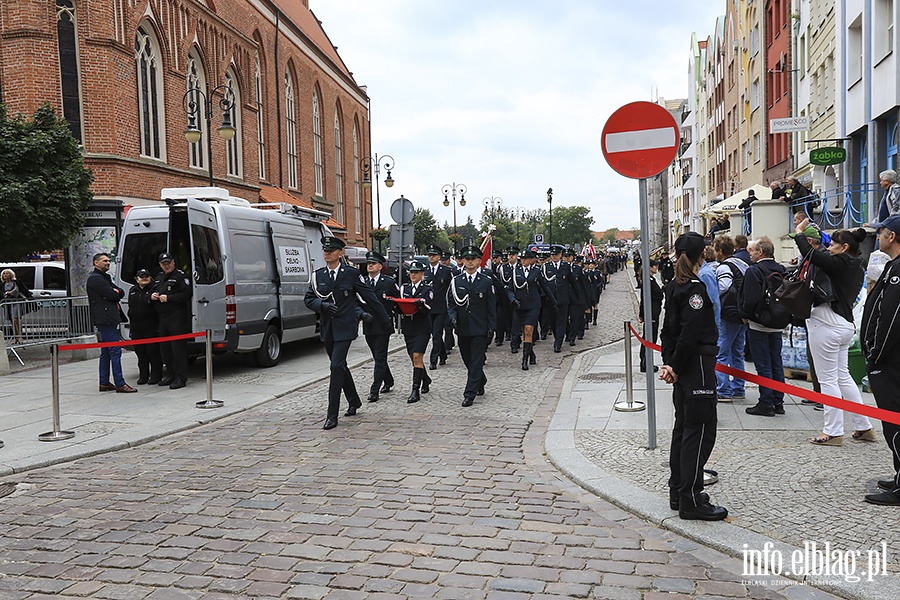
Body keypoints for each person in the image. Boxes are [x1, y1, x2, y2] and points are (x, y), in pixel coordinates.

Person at [658, 232, 727, 521]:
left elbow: (666, 331)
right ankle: (690, 498)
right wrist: (674, 364)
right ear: (702, 256)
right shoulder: (694, 290)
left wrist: (669, 363)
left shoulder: (674, 285)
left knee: (683, 429)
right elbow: (689, 333)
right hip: (696, 364)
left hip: (685, 364)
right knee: (699, 432)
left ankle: (678, 491)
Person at [792, 218, 874, 446]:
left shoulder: (840, 263)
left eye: (833, 245)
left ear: (844, 247)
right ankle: (863, 426)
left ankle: (833, 431)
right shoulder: (857, 264)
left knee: (828, 380)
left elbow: (812, 254)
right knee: (843, 377)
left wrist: (799, 234)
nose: (829, 248)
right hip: (843, 324)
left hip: (826, 324)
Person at [304, 237, 389, 430]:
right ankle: (354, 400)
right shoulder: (318, 276)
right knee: (340, 366)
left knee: (335, 366)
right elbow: (308, 299)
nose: (327, 253)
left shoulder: (350, 274)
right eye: (325, 250)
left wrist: (384, 320)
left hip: (345, 327)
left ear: (340, 253)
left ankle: (331, 415)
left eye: (332, 251)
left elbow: (370, 297)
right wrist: (322, 305)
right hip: (328, 328)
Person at [861, 215, 900, 505]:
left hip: (890, 362)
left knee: (895, 422)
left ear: (893, 236)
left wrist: (874, 355)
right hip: (886, 360)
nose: (879, 235)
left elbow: (889, 319)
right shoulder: (892, 267)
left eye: (882, 231)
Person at [739, 237, 787, 416]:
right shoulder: (781, 269)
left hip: (759, 323)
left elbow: (750, 298)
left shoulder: (754, 271)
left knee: (763, 364)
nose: (749, 254)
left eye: (752, 251)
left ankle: (766, 402)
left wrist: (745, 315)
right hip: (777, 322)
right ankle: (778, 401)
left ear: (761, 252)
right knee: (776, 362)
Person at [448, 245, 496, 407]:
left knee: (476, 361)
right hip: (462, 328)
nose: (469, 262)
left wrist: (492, 327)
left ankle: (469, 394)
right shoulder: (456, 281)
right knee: (467, 359)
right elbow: (451, 304)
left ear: (479, 261)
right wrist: (452, 317)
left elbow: (491, 307)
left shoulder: (486, 281)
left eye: (473, 259)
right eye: (466, 259)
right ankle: (480, 380)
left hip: (480, 328)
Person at [86, 253, 137, 394]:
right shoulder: (96, 279)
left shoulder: (104, 277)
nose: (108, 263)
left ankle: (104, 382)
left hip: (108, 317)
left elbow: (120, 291)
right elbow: (114, 294)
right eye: (105, 261)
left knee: (106, 351)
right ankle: (120, 383)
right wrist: (115, 292)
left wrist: (115, 291)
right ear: (96, 263)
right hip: (105, 318)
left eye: (109, 260)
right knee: (114, 350)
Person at [713, 236, 749, 401]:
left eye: (715, 249)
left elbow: (724, 286)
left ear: (720, 251)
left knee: (721, 353)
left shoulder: (724, 267)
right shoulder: (741, 263)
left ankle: (723, 390)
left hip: (728, 313)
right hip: (741, 313)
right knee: (737, 353)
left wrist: (712, 294)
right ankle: (739, 388)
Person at [151, 252, 192, 390]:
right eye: (163, 264)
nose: (166, 265)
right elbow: (153, 289)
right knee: (165, 349)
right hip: (162, 318)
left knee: (177, 349)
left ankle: (181, 377)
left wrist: (169, 298)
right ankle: (170, 375)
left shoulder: (180, 276)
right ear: (160, 265)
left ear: (173, 262)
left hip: (176, 317)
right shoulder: (159, 277)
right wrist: (153, 295)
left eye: (168, 263)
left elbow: (187, 294)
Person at [394, 260, 433, 404]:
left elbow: (429, 308)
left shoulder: (427, 289)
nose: (413, 275)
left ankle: (415, 390)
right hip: (408, 327)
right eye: (411, 272)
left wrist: (420, 305)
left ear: (422, 274)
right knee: (413, 357)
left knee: (417, 355)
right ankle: (425, 378)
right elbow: (400, 305)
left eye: (416, 272)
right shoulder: (404, 289)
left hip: (422, 327)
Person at [362, 251, 398, 403]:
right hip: (368, 324)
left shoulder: (388, 282)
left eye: (373, 263)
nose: (370, 265)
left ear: (380, 266)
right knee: (377, 357)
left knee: (380, 356)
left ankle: (374, 390)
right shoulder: (362, 282)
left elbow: (397, 300)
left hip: (383, 325)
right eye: (368, 263)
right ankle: (388, 380)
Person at [510, 248, 555, 370]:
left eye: (526, 259)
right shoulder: (515, 271)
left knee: (529, 330)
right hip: (519, 305)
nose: (523, 261)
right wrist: (512, 299)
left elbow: (544, 286)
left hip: (533, 305)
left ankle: (524, 360)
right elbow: (509, 288)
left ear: (531, 260)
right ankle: (531, 353)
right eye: (522, 259)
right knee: (524, 331)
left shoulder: (536, 271)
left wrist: (553, 301)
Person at [128, 268, 162, 385]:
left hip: (151, 326)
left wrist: (149, 298)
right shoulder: (133, 290)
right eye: (141, 276)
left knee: (153, 352)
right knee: (141, 353)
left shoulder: (154, 289)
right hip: (137, 327)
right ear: (137, 279)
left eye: (146, 276)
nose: (144, 278)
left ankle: (156, 376)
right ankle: (143, 375)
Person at [424, 244, 453, 369]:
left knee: (437, 334)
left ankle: (433, 360)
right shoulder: (424, 271)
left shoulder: (446, 271)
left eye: (434, 255)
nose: (431, 257)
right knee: (433, 334)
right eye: (429, 255)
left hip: (441, 308)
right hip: (428, 308)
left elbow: (452, 289)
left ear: (439, 257)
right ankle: (442, 354)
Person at [637, 260, 663, 373]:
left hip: (653, 312)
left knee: (650, 337)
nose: (656, 268)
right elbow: (645, 297)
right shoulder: (648, 281)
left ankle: (646, 362)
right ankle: (645, 363)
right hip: (651, 312)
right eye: (655, 266)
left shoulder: (651, 279)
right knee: (648, 338)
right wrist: (642, 313)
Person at [1, 268, 33, 344]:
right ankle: (16, 337)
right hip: (8, 303)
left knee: (16, 318)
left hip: (16, 302)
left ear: (11, 275)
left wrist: (10, 293)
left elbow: (16, 290)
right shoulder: (3, 285)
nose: (5, 275)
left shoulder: (15, 283)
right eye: (4, 274)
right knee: (12, 320)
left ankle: (20, 336)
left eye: (7, 273)